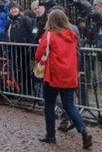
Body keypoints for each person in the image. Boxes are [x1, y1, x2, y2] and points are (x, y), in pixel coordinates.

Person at [36, 9, 92, 149]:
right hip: (69, 75)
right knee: (70, 106)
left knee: (49, 105)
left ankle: (50, 135)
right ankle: (83, 129)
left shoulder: (49, 35)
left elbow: (39, 54)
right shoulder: (72, 34)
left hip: (53, 75)